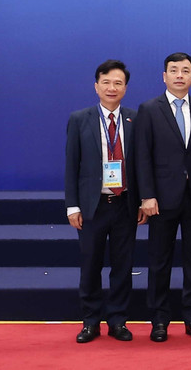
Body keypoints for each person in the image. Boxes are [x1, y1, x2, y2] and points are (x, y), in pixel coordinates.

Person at [65, 59, 146, 343]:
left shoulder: (136, 119)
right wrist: (72, 206)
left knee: (123, 266)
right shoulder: (79, 119)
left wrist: (143, 200)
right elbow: (71, 165)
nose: (112, 88)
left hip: (125, 204)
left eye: (118, 83)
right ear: (96, 86)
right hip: (92, 206)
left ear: (125, 88)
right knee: (90, 266)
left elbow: (142, 165)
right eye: (107, 82)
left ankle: (118, 321)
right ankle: (90, 322)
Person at [135, 52, 191, 341]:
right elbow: (142, 156)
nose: (179, 75)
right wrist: (147, 195)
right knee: (159, 261)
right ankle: (159, 320)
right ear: (164, 76)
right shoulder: (149, 109)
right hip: (161, 200)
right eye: (173, 70)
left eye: (185, 70)